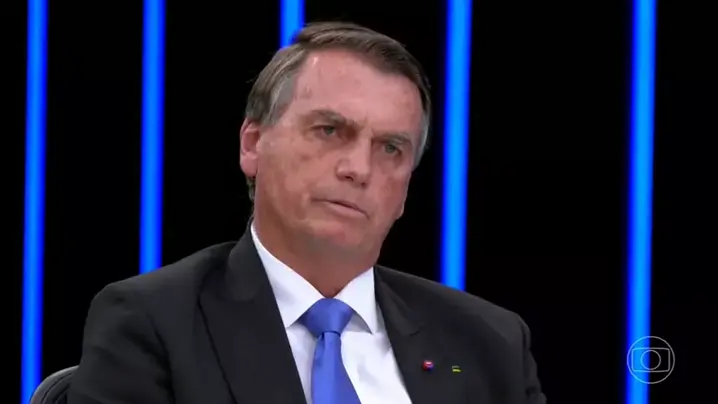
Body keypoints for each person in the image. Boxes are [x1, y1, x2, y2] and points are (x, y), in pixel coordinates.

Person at [67, 21, 546, 404]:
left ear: (405, 191)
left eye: (390, 148)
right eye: (330, 131)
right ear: (253, 144)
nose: (359, 168)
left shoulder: (490, 343)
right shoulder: (153, 324)